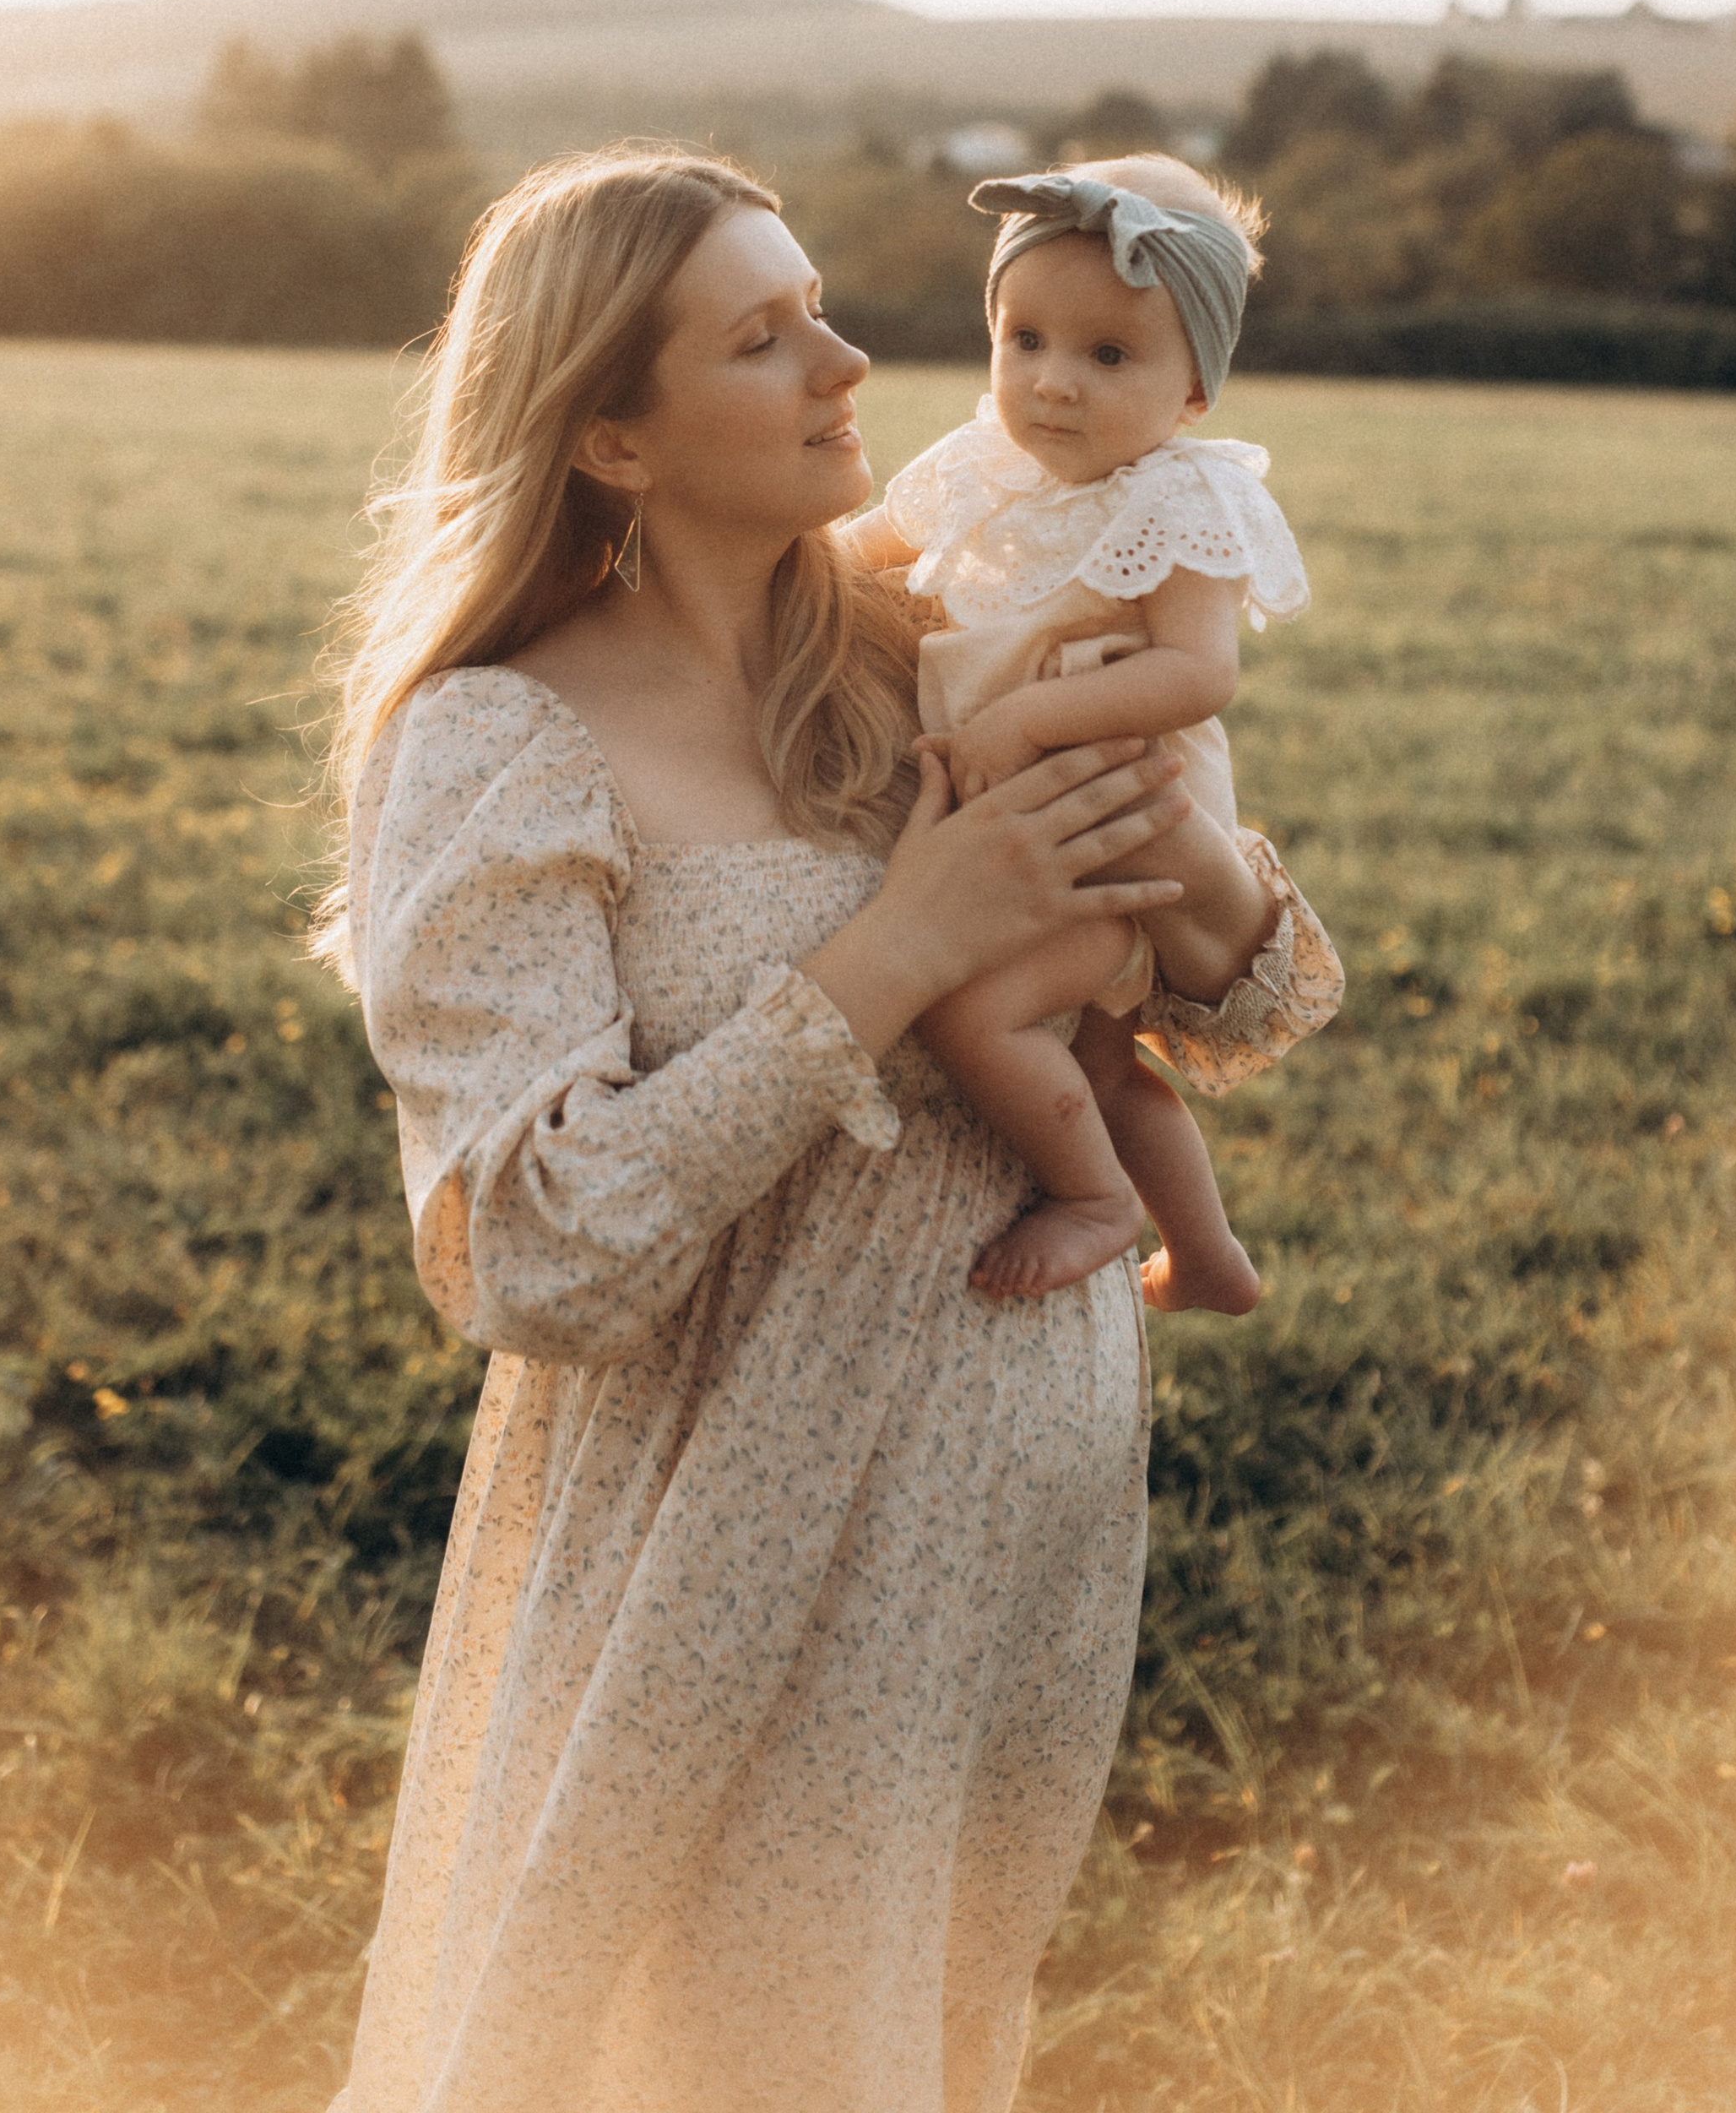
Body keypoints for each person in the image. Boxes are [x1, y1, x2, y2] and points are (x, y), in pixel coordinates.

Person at [316, 144, 1340, 2113]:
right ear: (609, 431)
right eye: (765, 336)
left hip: (1003, 1543)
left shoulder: (921, 638)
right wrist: (891, 954)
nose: (851, 360)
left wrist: (1196, 864)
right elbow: (541, 1253)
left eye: (826, 310)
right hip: (726, 1565)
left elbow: (1255, 1008)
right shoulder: (499, 740)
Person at [847, 154, 1308, 1308]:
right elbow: (852, 554)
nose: (1053, 383)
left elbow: (1198, 673)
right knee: (1105, 1064)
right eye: (1025, 340)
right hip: (1040, 839)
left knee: (978, 1012)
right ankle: (1207, 1258)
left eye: (1108, 356)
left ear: (1194, 391)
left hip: (1126, 850)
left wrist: (1033, 714)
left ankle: (1095, 1201)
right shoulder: (982, 468)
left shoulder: (1183, 498)